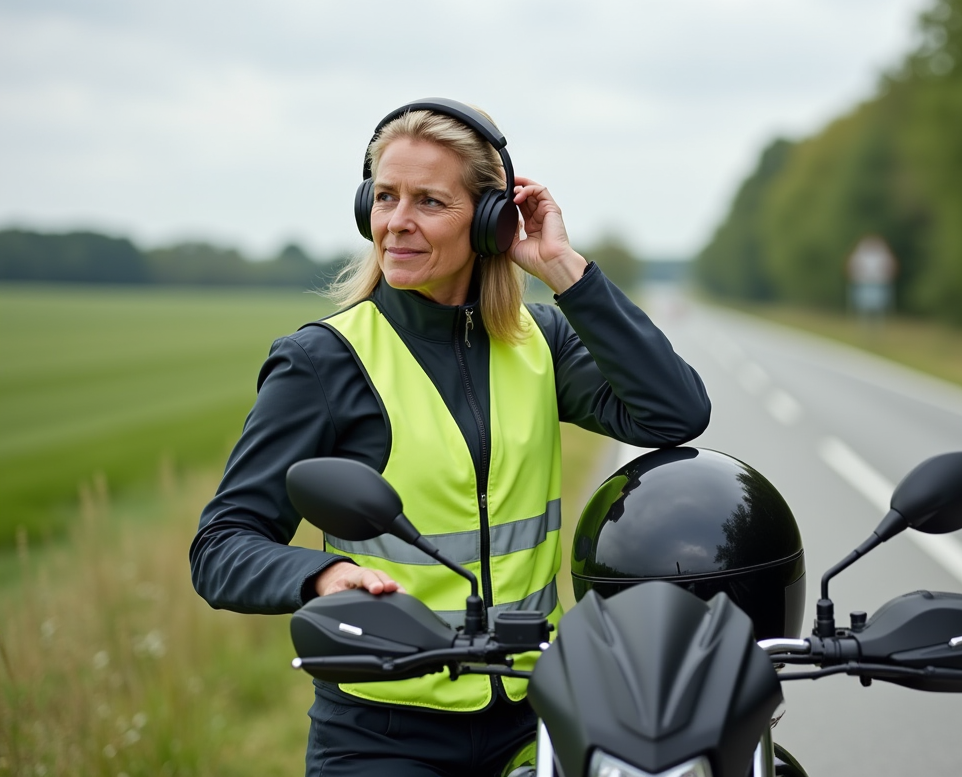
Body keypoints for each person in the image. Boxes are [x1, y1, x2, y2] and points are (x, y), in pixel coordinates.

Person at [189, 99, 711, 777]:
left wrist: (562, 270)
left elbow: (674, 412)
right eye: (385, 197)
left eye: (429, 201)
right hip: (381, 736)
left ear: (492, 223)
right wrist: (322, 573)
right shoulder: (322, 361)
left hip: (537, 718)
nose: (396, 222)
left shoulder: (539, 342)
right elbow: (221, 544)